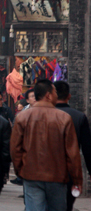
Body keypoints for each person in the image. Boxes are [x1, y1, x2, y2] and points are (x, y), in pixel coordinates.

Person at [11, 79, 82, 211]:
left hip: (31, 174)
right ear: (48, 95)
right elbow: (72, 153)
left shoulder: (22, 117)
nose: (56, 95)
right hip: (57, 175)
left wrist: (20, 170)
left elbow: (15, 148)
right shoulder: (64, 118)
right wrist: (77, 179)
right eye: (55, 92)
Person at [53, 81, 91, 211]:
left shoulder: (40, 115)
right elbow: (87, 148)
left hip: (44, 170)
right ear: (69, 96)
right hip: (69, 171)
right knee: (66, 206)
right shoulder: (79, 117)